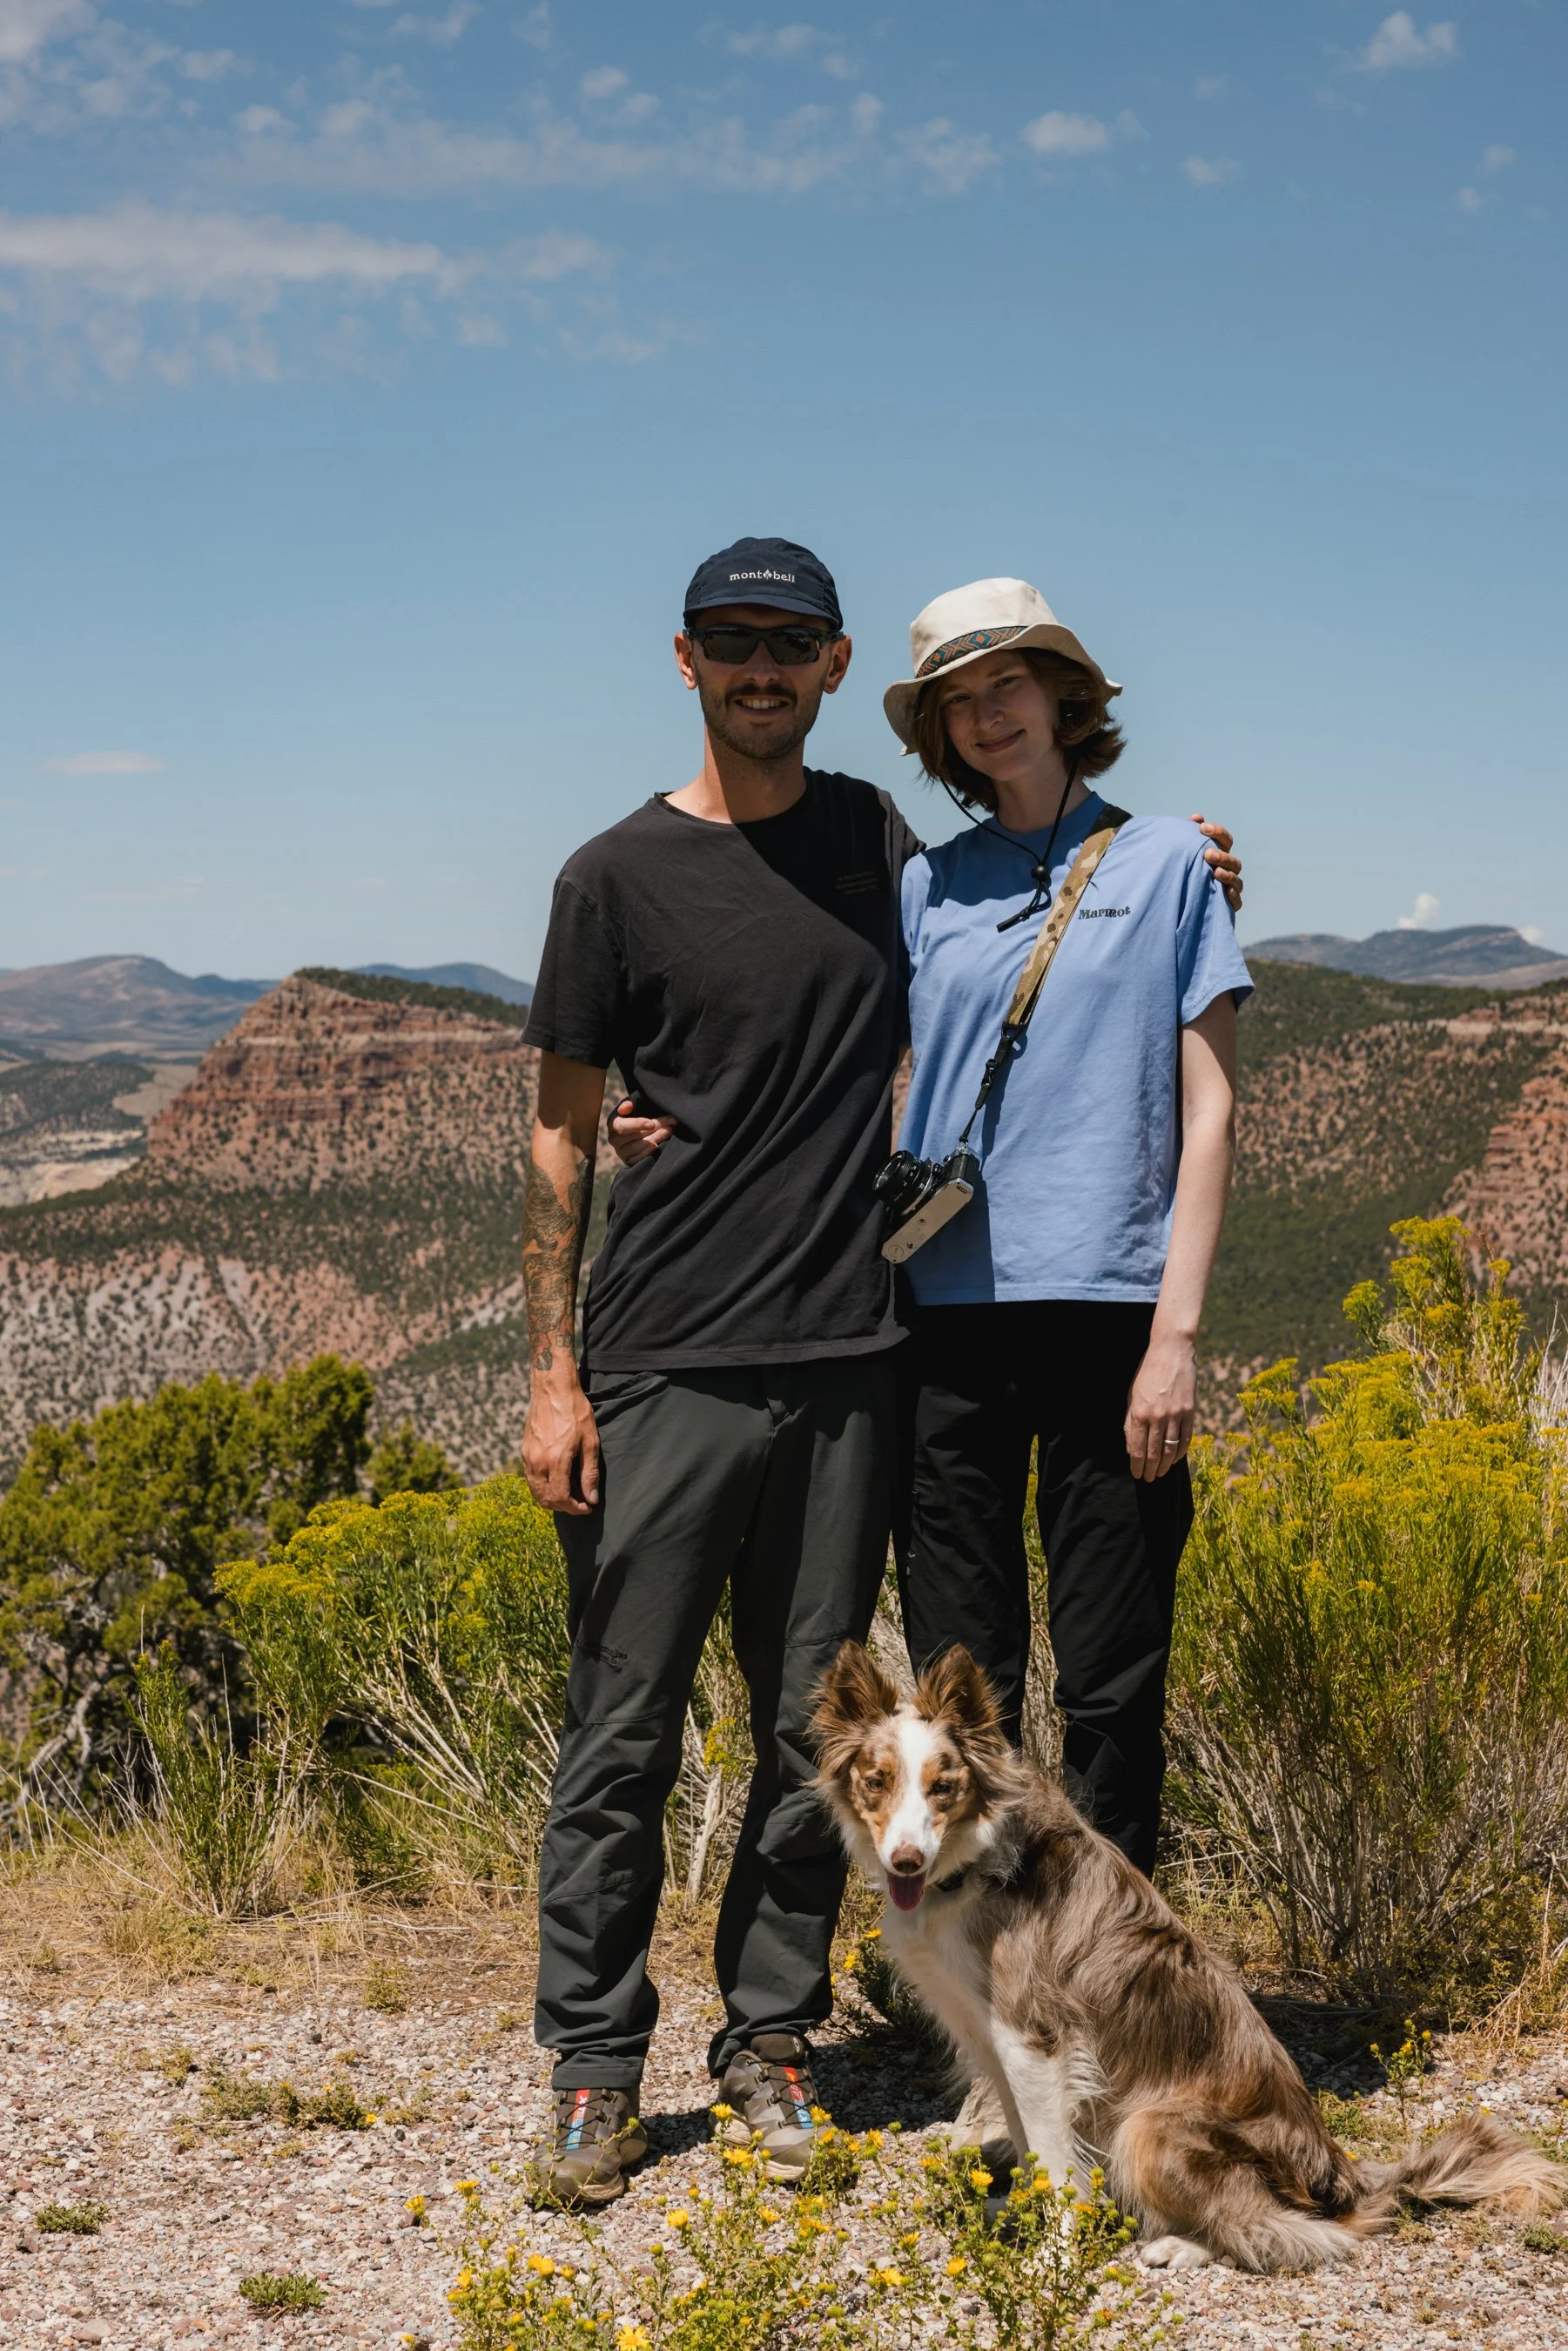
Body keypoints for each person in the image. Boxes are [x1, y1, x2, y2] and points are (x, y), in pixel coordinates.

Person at [519, 540, 1242, 2208]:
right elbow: (567, 1123)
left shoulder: (873, 842)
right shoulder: (640, 874)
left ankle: (783, 2043)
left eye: (790, 643)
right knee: (624, 1731)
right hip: (712, 1354)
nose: (759, 667)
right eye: (730, 641)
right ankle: (592, 2069)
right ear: (686, 658)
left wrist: (1199, 857)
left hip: (867, 1349)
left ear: (835, 669)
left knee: (823, 1728)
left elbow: (1101, 966)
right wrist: (554, 1374)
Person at [883, 577, 1252, 1876]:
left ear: (1061, 695)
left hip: (1112, 1320)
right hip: (948, 1326)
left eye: (1008, 684)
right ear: (941, 733)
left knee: (1112, 1681)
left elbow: (1209, 1114)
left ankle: (1114, 1984)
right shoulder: (924, 887)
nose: (989, 715)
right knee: (963, 1693)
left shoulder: (1167, 866)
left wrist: (1177, 1337)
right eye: (959, 701)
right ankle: (996, 1986)